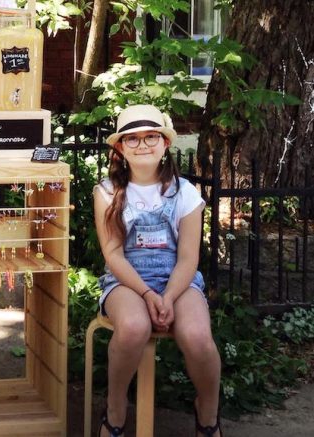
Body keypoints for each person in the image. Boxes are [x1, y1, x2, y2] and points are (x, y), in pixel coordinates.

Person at [93, 105, 222, 437]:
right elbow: (113, 254)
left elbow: (188, 258)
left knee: (196, 335)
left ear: (165, 143)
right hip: (126, 280)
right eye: (132, 139)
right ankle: (116, 409)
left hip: (178, 280)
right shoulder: (107, 192)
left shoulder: (186, 193)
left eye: (151, 136)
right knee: (134, 326)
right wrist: (148, 294)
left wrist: (167, 295)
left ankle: (207, 413)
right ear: (120, 148)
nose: (143, 144)